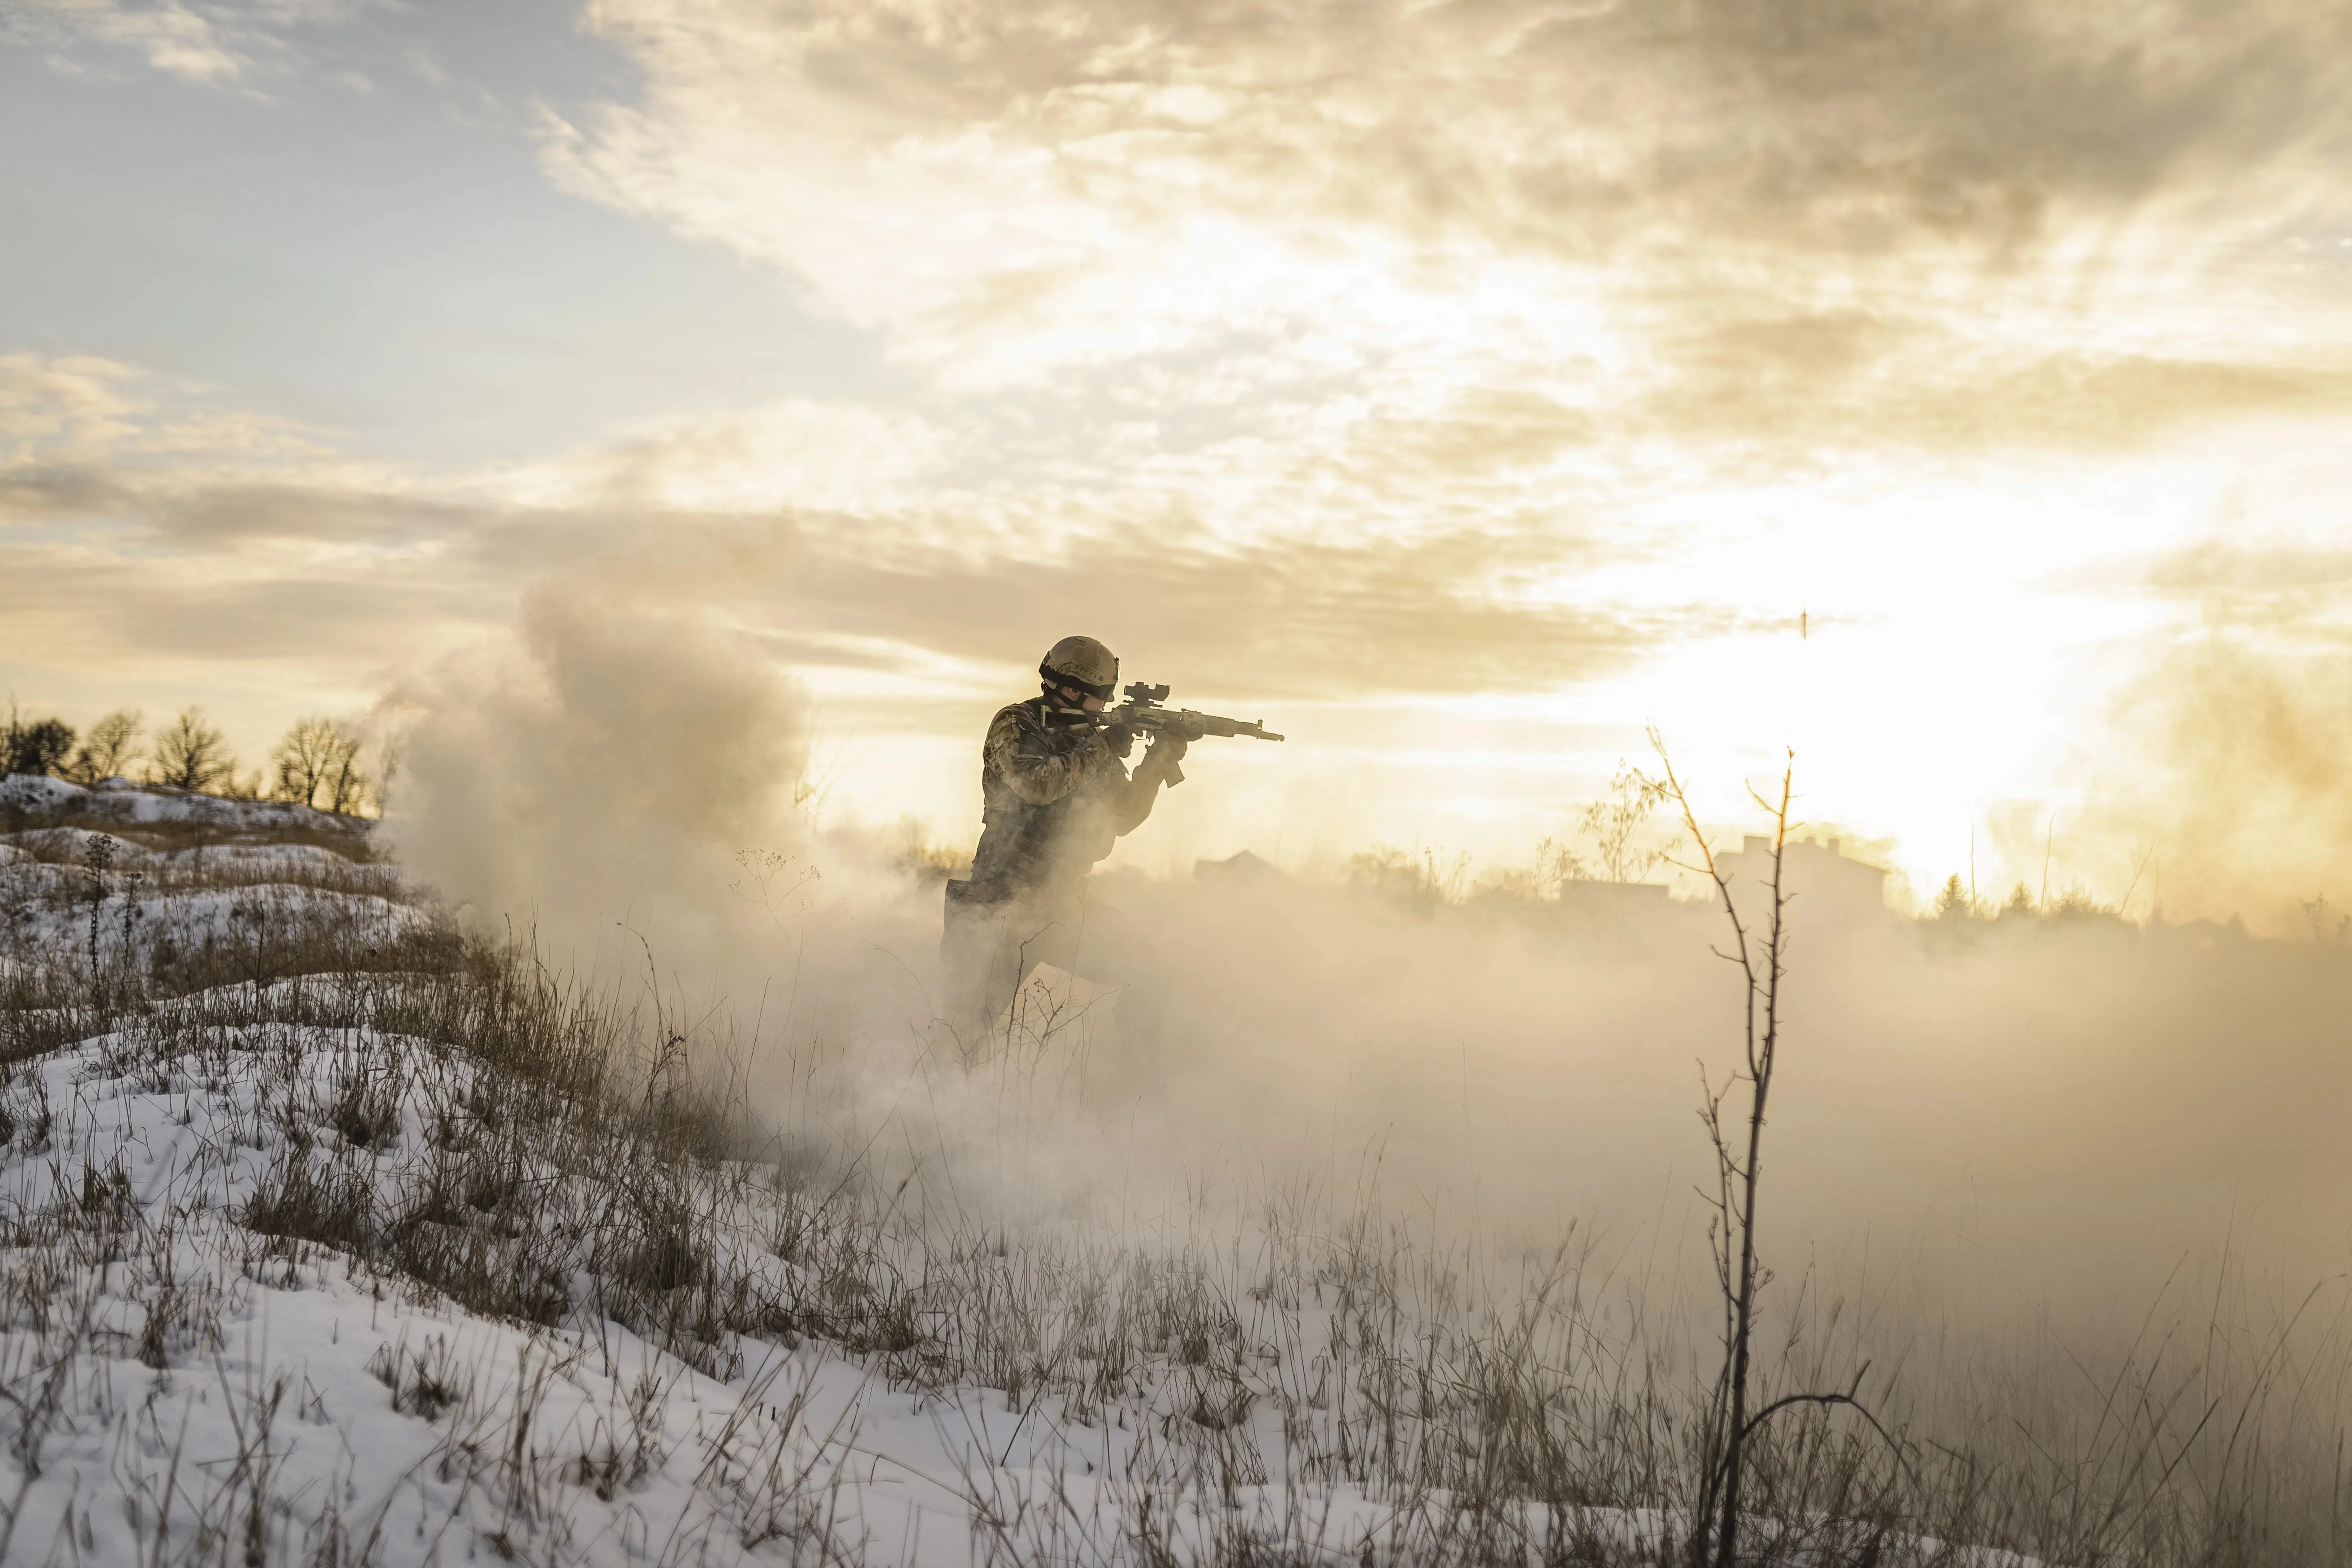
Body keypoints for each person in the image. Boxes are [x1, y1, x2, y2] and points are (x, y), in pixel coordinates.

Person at [940, 635, 1188, 1057]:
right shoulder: (1018, 723)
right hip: (1002, 903)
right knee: (959, 1038)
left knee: (1153, 978)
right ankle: (917, 1114)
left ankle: (1132, 1092)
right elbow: (1036, 785)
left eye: (1098, 697)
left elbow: (1123, 816)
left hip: (1063, 904)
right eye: (1084, 693)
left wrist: (1158, 759)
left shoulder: (1095, 741)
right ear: (1061, 685)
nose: (1092, 704)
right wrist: (1106, 744)